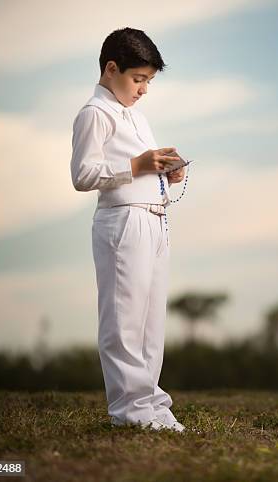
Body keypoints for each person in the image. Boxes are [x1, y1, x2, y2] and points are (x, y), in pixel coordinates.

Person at [70, 27, 186, 432]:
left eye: (148, 81)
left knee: (151, 321)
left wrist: (166, 173)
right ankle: (129, 410)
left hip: (155, 220)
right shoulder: (94, 113)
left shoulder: (136, 116)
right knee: (124, 320)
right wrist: (138, 166)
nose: (143, 90)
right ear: (111, 68)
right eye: (138, 79)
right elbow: (83, 175)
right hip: (122, 222)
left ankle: (152, 405)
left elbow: (140, 166)